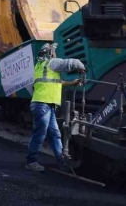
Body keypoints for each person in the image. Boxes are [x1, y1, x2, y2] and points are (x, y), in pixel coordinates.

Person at [25, 43, 86, 173]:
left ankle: (61, 161)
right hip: (43, 104)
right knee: (39, 134)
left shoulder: (39, 66)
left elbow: (54, 82)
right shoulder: (51, 63)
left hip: (45, 105)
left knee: (55, 134)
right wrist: (82, 67)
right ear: (50, 54)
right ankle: (31, 161)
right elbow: (71, 63)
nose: (55, 54)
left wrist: (71, 83)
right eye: (53, 52)